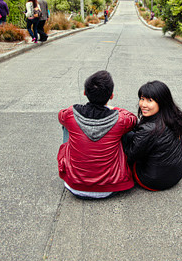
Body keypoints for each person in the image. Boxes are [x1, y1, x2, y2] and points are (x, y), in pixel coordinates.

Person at [58, 70, 138, 199]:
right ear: (111, 95)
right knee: (123, 131)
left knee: (67, 126)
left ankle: (73, 166)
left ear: (85, 93)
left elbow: (61, 115)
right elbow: (133, 119)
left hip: (74, 186)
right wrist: (115, 109)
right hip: (110, 188)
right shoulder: (120, 119)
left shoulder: (70, 114)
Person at [122, 80, 182, 191]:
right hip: (177, 174)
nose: (143, 104)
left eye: (149, 100)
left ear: (161, 102)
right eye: (142, 99)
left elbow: (130, 155)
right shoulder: (173, 116)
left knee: (124, 136)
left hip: (153, 180)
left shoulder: (149, 129)